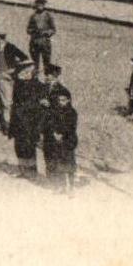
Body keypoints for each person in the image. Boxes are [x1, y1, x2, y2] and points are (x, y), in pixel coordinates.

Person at [39, 64, 78, 194]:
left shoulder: (63, 91)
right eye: (46, 75)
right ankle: (54, 184)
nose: (46, 77)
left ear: (55, 76)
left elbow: (65, 113)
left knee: (60, 158)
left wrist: (49, 106)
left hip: (58, 130)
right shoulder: (43, 88)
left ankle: (62, 185)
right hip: (46, 127)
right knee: (48, 155)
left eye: (48, 75)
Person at [7, 60, 40, 179]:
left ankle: (31, 172)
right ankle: (22, 170)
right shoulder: (18, 83)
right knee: (19, 145)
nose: (26, 74)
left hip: (29, 121)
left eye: (29, 72)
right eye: (24, 71)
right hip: (17, 119)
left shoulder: (35, 85)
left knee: (29, 146)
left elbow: (35, 104)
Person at [27, 0, 55, 73]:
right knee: (35, 62)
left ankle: (47, 78)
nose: (39, 7)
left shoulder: (48, 16)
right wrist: (33, 31)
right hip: (34, 41)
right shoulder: (33, 16)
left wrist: (46, 32)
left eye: (41, 5)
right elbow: (28, 29)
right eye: (38, 5)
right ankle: (35, 78)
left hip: (45, 42)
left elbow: (53, 29)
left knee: (46, 62)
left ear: (43, 6)